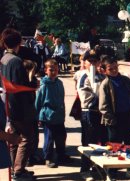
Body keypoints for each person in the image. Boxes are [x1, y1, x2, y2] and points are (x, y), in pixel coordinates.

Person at [1, 28, 37, 181]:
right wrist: (33, 86)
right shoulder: (15, 61)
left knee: (15, 138)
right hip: (19, 106)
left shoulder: (4, 58)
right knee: (26, 138)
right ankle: (19, 171)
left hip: (8, 105)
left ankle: (15, 168)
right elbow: (17, 85)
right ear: (19, 42)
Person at [35, 59, 72, 168]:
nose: (54, 72)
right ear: (46, 70)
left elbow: (62, 99)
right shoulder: (44, 84)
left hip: (59, 116)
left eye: (56, 69)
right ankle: (48, 157)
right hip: (48, 116)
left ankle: (61, 154)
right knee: (49, 139)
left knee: (61, 137)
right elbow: (38, 101)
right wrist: (37, 117)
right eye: (51, 70)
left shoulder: (59, 83)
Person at [77, 51, 107, 181]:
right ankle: (84, 169)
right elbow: (86, 97)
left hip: (102, 113)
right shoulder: (84, 77)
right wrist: (100, 100)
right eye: (90, 61)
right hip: (89, 112)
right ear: (85, 62)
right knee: (88, 142)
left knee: (102, 141)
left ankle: (98, 166)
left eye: (95, 61)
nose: (93, 63)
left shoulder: (101, 76)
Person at [99, 57, 130, 145]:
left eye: (115, 68)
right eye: (110, 69)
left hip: (128, 117)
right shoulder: (105, 84)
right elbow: (103, 106)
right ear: (104, 70)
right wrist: (111, 120)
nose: (114, 70)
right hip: (115, 119)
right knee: (115, 145)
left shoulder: (126, 81)